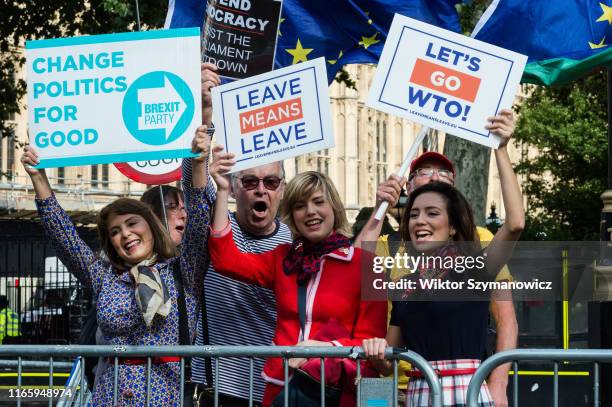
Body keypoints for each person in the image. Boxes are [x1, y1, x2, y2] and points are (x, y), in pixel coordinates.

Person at [20, 127, 211, 406]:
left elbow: (199, 221)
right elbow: (64, 239)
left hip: (165, 397)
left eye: (132, 224)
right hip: (109, 397)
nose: (126, 234)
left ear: (151, 225)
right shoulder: (105, 276)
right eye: (115, 232)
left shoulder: (183, 271)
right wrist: (39, 177)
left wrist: (197, 162)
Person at [362, 111, 524, 406]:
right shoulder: (405, 286)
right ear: (407, 187)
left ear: (452, 225)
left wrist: (500, 148)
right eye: (414, 214)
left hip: (464, 393)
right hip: (412, 395)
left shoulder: (475, 265)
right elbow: (389, 359)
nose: (420, 221)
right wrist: (377, 353)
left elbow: (515, 224)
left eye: (432, 213)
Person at [208, 155, 387, 406]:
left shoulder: (367, 266)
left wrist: (319, 347)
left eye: (318, 202)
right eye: (300, 205)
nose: (310, 211)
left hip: (338, 391)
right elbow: (224, 260)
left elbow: (371, 343)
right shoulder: (283, 259)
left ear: (334, 208)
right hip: (283, 388)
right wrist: (223, 191)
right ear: (292, 214)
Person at [185, 63, 293, 406]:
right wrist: (205, 114)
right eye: (250, 182)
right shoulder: (216, 227)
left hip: (275, 389)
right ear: (233, 188)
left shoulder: (296, 244)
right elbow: (194, 187)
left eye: (270, 182)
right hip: (217, 390)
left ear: (282, 189)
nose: (261, 190)